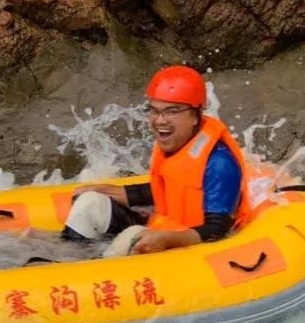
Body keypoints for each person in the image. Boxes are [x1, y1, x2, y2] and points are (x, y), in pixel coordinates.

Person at [61, 66, 249, 255]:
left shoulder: (220, 163)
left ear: (195, 115)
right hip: (162, 226)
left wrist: (167, 239)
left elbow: (218, 229)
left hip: (188, 245)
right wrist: (110, 191)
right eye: (154, 111)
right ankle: (66, 260)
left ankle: (95, 267)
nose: (159, 121)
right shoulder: (177, 142)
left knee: (131, 238)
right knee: (90, 202)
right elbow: (166, 188)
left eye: (171, 111)